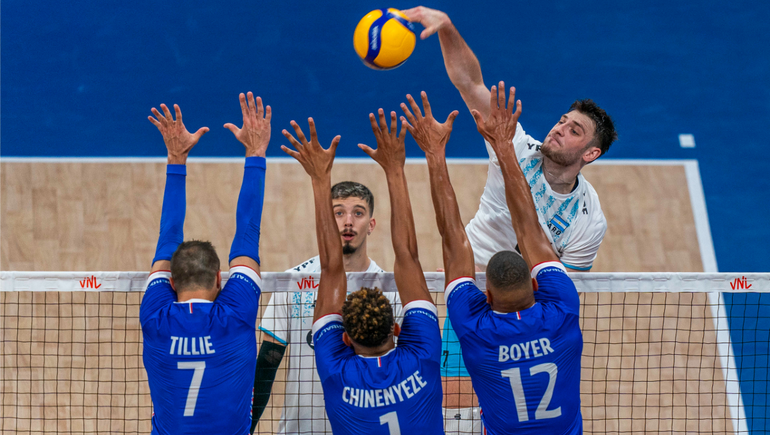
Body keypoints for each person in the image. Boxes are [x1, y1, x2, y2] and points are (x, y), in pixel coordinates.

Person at [403, 7, 617, 431]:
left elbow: (559, 292)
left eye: (574, 130)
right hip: (469, 288)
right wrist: (446, 27)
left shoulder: (589, 221)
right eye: (562, 120)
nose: (559, 129)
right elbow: (470, 83)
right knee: (443, 404)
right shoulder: (515, 145)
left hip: (520, 314)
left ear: (590, 153)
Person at [406, 84, 584, 433]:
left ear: (485, 297)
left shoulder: (477, 330)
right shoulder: (563, 312)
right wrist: (504, 148)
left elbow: (455, 238)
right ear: (536, 286)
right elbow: (531, 229)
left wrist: (435, 154)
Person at [280, 112, 444, 434]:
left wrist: (319, 179)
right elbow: (408, 257)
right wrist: (396, 169)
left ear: (345, 338)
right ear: (397, 329)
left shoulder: (336, 374)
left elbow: (330, 269)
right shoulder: (421, 358)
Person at [140, 92, 270, 435]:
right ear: (219, 278)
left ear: (171, 283)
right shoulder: (235, 314)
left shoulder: (155, 317)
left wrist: (176, 158)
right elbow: (248, 232)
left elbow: (168, 240)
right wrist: (255, 152)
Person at [252, 181, 403, 435]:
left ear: (371, 225)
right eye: (338, 212)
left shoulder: (390, 292)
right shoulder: (293, 283)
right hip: (300, 430)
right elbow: (268, 362)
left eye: (358, 213)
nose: (348, 222)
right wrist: (248, 426)